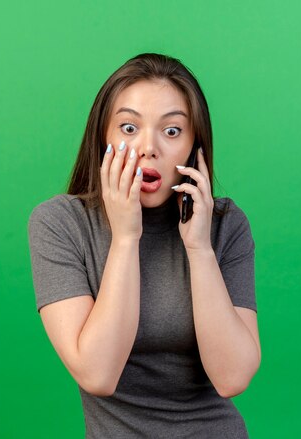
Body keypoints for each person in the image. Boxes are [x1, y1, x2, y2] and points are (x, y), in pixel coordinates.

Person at [28, 53, 261, 438]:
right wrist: (125, 237)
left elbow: (232, 378)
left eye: (172, 131)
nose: (148, 148)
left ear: (194, 147)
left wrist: (199, 249)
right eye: (129, 127)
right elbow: (98, 374)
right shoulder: (60, 224)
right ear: (103, 136)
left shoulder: (225, 226)